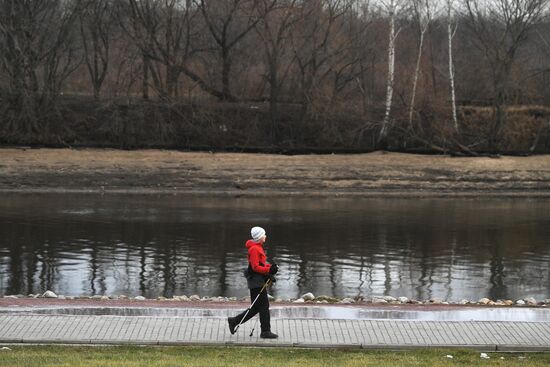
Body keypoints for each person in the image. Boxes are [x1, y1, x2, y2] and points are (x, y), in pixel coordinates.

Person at [227, 226, 279, 339]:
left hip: (258, 280)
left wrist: (270, 267)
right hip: (256, 281)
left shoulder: (258, 247)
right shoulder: (254, 249)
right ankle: (265, 331)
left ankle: (234, 321)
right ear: (259, 237)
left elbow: (261, 264)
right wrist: (268, 270)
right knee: (263, 306)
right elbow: (255, 267)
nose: (265, 236)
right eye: (264, 234)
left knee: (257, 307)